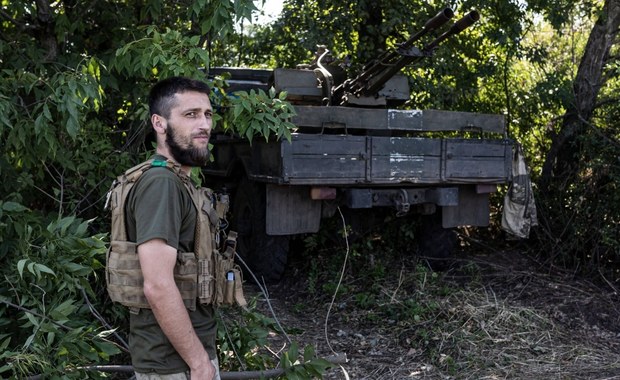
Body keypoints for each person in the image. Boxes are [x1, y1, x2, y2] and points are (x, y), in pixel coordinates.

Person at [121, 76, 218, 379]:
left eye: (207, 114)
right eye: (191, 114)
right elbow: (158, 285)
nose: (204, 124)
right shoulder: (161, 184)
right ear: (159, 124)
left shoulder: (176, 181)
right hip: (174, 367)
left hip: (180, 362)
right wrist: (199, 362)